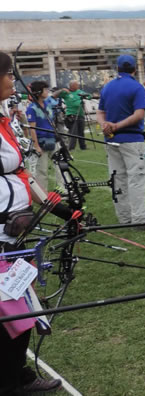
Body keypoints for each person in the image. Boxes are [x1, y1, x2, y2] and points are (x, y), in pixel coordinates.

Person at [0, 52, 63, 395]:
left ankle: (17, 374)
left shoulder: (5, 119)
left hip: (14, 231)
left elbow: (21, 174)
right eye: (8, 75)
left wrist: (62, 210)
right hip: (2, 234)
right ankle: (10, 382)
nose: (13, 80)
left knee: (20, 308)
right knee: (12, 311)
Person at [96, 55, 145, 225]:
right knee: (136, 177)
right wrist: (117, 125)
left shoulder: (107, 87)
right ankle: (140, 218)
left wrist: (105, 125)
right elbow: (139, 114)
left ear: (117, 69)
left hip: (111, 139)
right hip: (132, 138)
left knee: (117, 178)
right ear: (134, 69)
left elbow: (100, 112)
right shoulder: (137, 87)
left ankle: (124, 217)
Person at [24, 81, 59, 190]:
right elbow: (32, 129)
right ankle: (43, 194)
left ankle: (64, 189)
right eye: (45, 90)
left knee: (60, 166)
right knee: (42, 170)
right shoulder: (32, 108)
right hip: (41, 141)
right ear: (39, 92)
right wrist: (36, 146)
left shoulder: (48, 104)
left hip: (52, 139)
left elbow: (54, 96)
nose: (48, 91)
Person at [60, 80, 92, 150]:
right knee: (73, 132)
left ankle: (83, 147)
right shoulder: (66, 93)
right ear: (72, 86)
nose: (78, 86)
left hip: (81, 114)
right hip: (71, 115)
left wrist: (86, 96)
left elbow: (90, 96)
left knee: (81, 132)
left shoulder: (79, 91)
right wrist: (62, 90)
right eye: (76, 85)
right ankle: (71, 148)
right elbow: (57, 95)